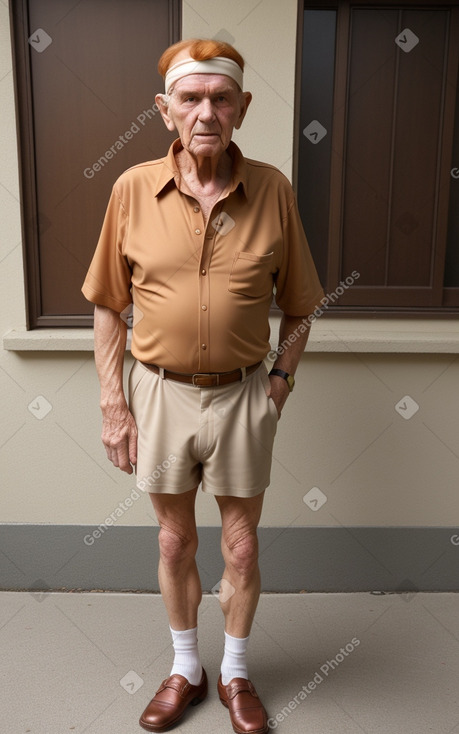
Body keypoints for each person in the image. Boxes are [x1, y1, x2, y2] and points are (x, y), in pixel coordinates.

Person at [82, 38, 324, 734]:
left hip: (244, 392)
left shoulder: (273, 189)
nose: (206, 112)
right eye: (190, 99)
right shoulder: (130, 188)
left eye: (221, 98)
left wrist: (277, 383)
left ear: (242, 108)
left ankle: (236, 673)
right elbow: (107, 303)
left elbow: (302, 305)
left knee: (241, 546)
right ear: (165, 111)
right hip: (158, 392)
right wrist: (113, 402)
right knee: (173, 542)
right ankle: (185, 668)